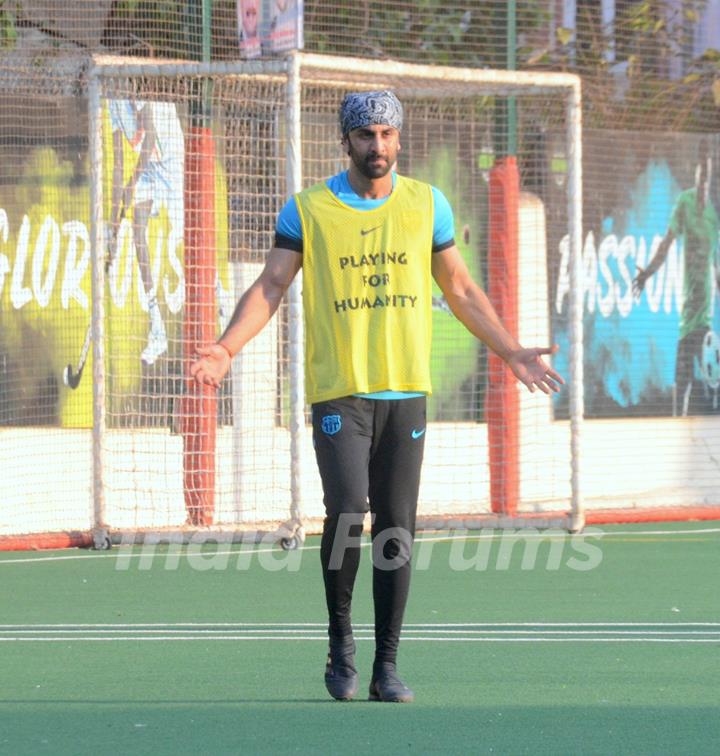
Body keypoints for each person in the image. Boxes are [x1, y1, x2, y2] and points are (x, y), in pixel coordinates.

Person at [191, 90, 563, 703]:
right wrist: (227, 348)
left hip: (405, 394)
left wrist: (511, 349)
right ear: (346, 141)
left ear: (399, 138)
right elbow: (271, 284)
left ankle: (387, 666)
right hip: (340, 395)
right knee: (346, 513)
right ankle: (341, 645)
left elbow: (462, 289)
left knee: (397, 527)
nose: (379, 146)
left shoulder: (426, 204)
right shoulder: (306, 209)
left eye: (388, 134)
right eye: (366, 135)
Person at [633, 145, 719, 416]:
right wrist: (646, 273)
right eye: (700, 172)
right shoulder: (685, 202)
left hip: (705, 313)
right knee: (682, 378)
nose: (704, 178)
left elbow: (716, 264)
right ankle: (676, 420)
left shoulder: (713, 216)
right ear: (695, 174)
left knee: (709, 380)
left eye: (708, 172)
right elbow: (666, 244)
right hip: (688, 313)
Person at [108, 98, 184, 366]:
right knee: (137, 229)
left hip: (174, 162)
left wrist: (132, 180)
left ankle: (220, 298)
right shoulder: (111, 103)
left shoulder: (137, 85)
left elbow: (149, 137)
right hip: (150, 169)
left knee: (188, 235)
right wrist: (113, 226)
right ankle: (157, 326)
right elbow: (118, 166)